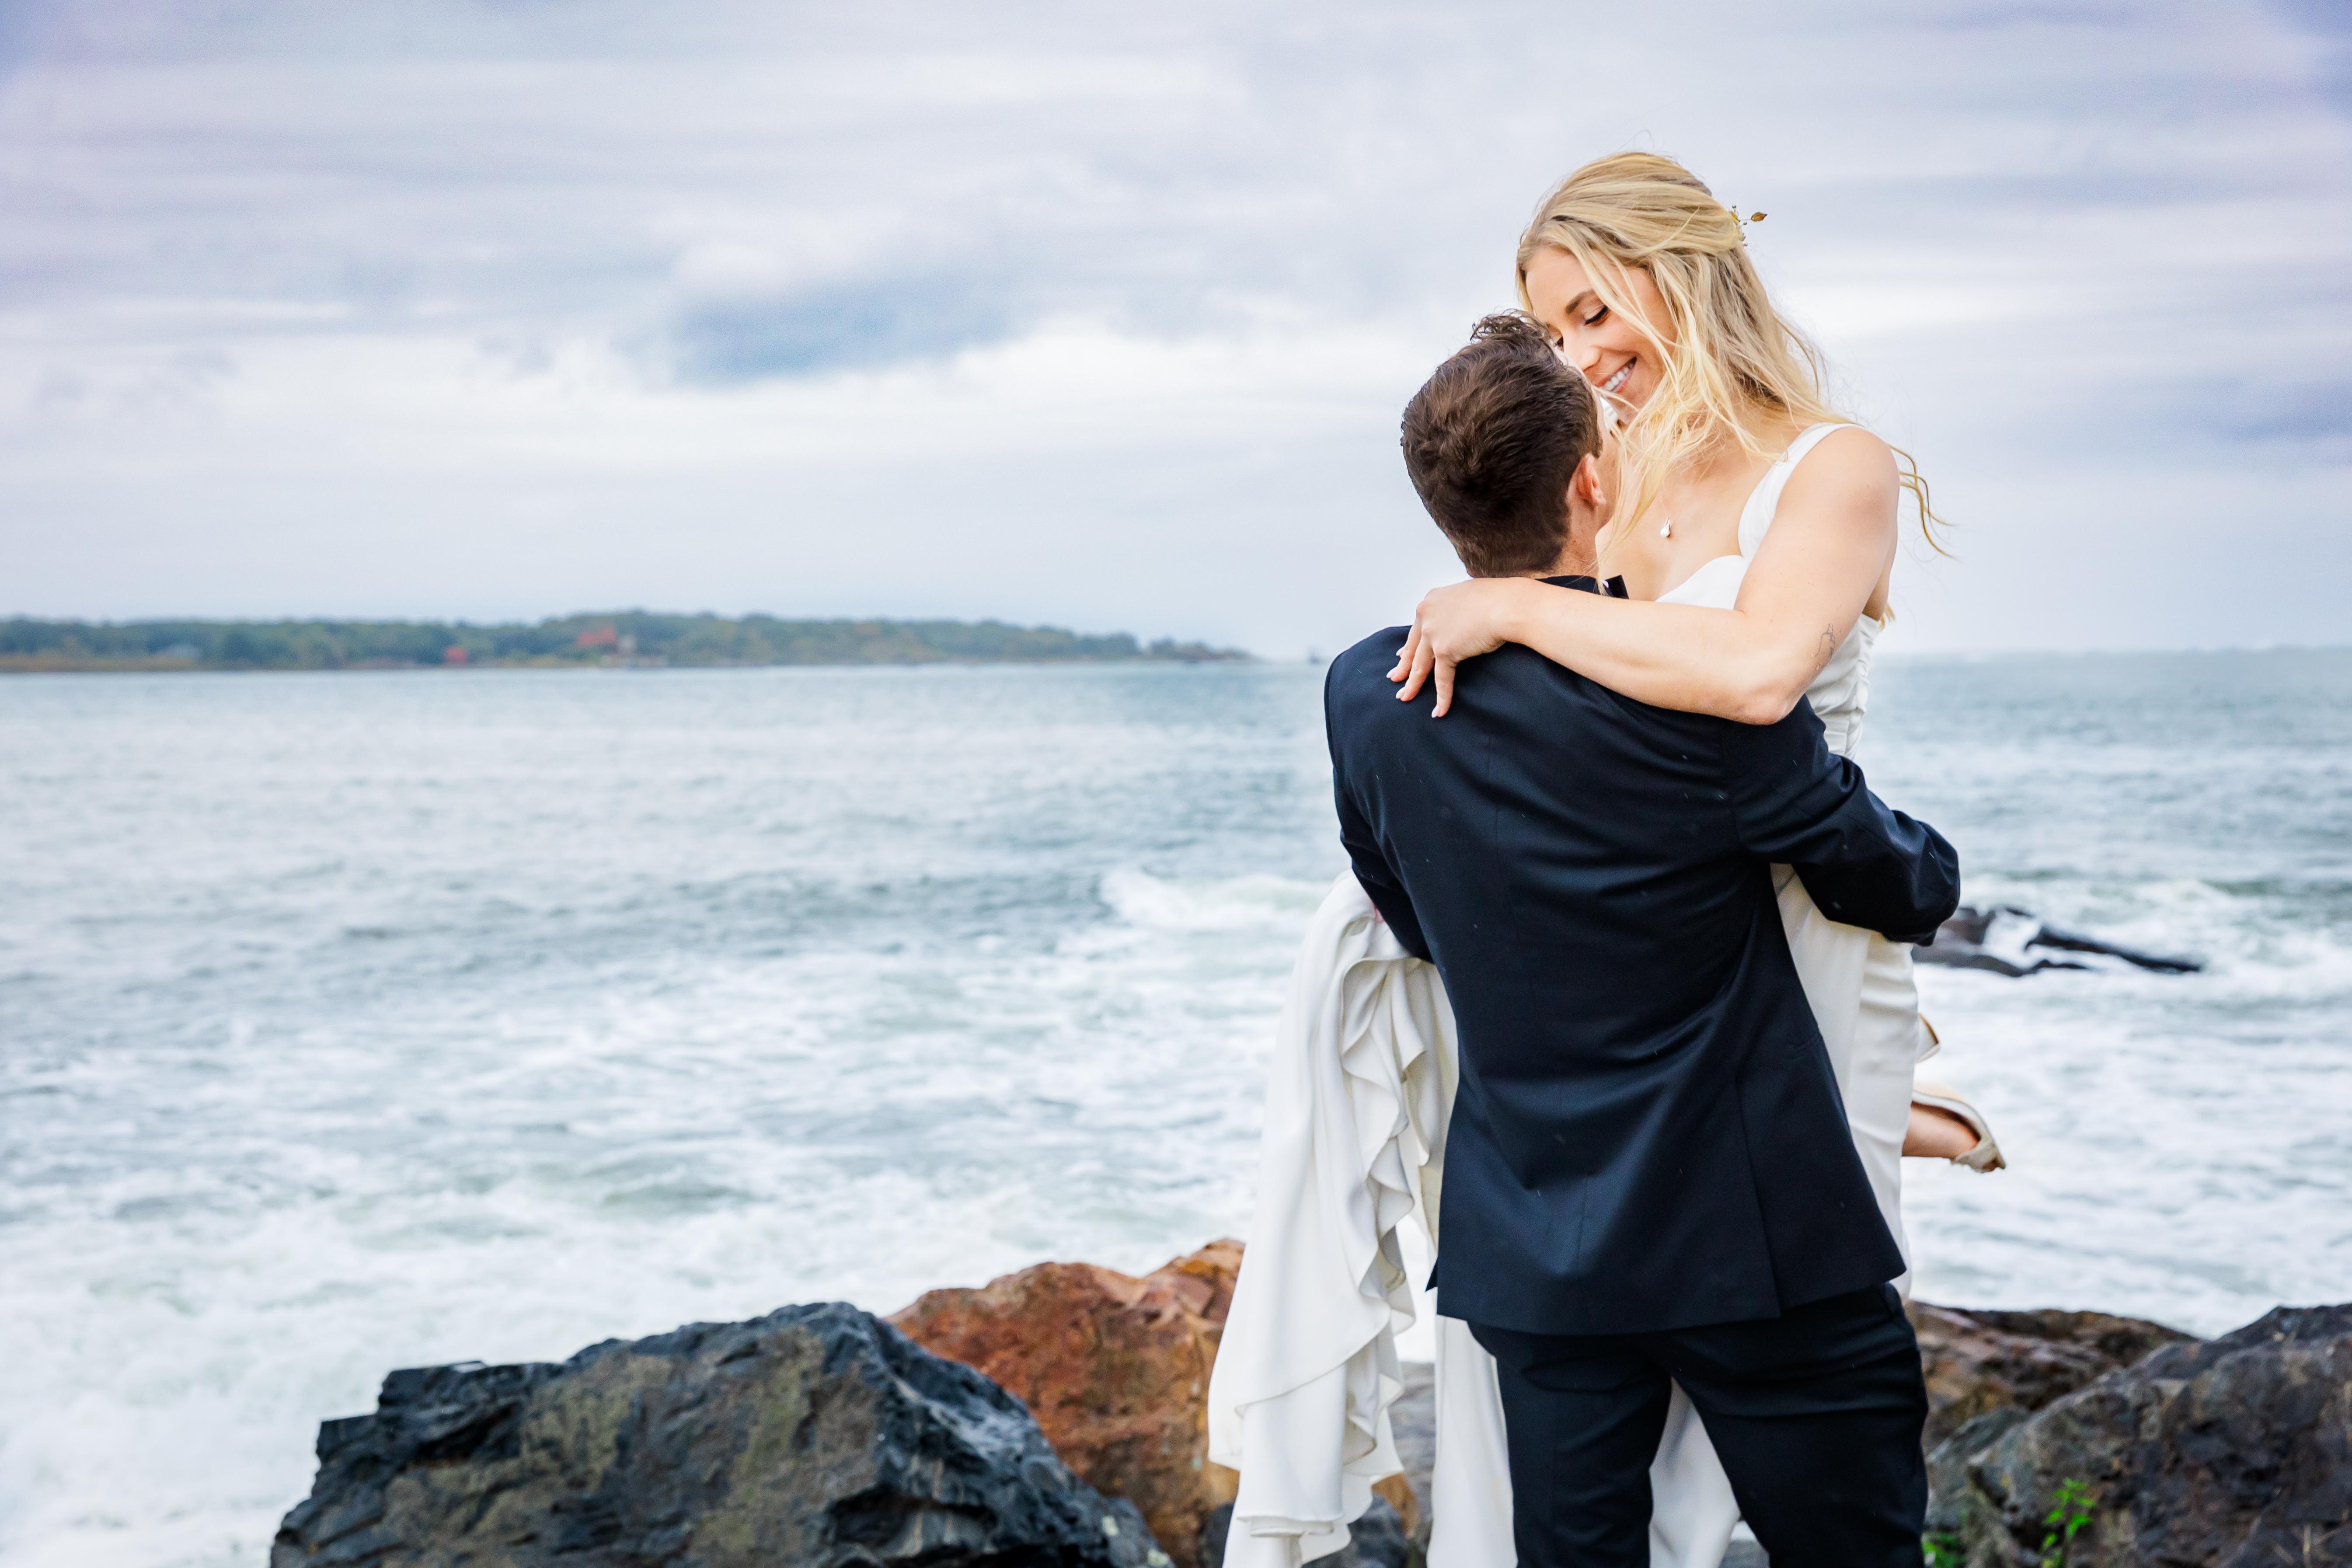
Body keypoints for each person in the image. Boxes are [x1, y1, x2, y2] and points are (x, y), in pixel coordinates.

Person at [1323, 312, 1958, 1567]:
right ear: (1589, 481)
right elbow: (1903, 887)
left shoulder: (1366, 692)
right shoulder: (1693, 703)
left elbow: (1407, 912)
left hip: (1533, 1244)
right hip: (1758, 1245)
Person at [1389, 153, 2000, 1250]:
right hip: (1639, 940)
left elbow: (1758, 670)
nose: (1580, 359)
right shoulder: (1603, 480)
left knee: (1802, 1277)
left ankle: (1892, 1107)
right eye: (1555, 337)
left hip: (1798, 933)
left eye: (1592, 312)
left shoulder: (1831, 465)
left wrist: (1512, 607)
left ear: (1684, 272)